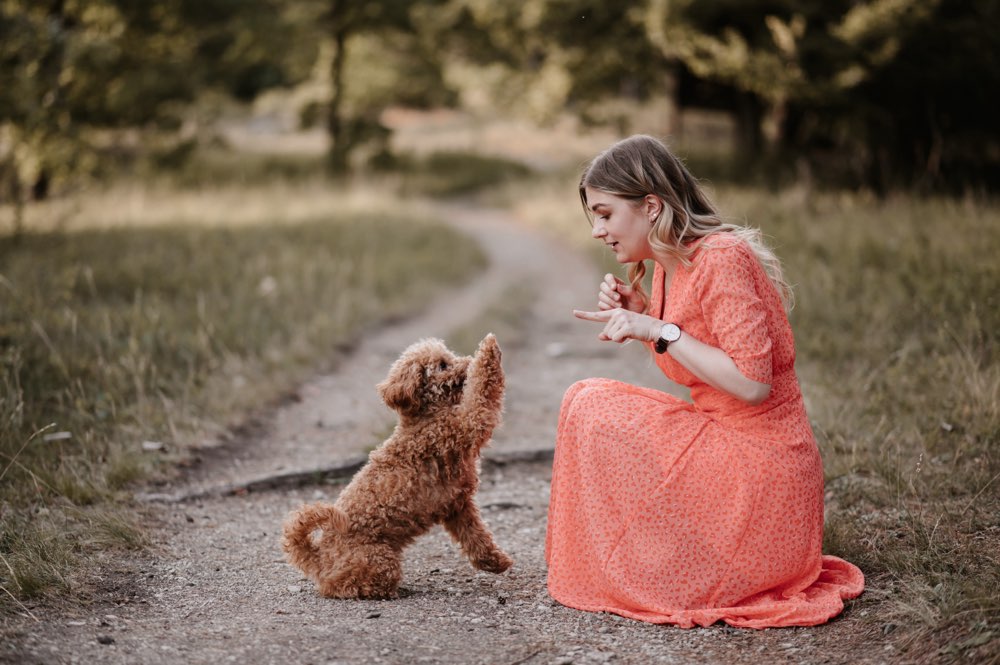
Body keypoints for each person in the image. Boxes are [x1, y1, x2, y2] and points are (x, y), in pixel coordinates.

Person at [545, 134, 864, 629]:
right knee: (585, 399)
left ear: (651, 206)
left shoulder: (721, 257)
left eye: (605, 214)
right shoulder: (667, 269)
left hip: (766, 466)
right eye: (594, 218)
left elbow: (753, 385)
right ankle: (648, 556)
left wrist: (658, 330)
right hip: (730, 445)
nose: (597, 231)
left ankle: (687, 558)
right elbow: (699, 348)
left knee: (591, 403)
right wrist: (645, 313)